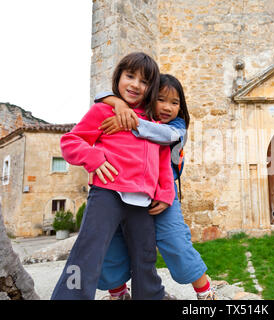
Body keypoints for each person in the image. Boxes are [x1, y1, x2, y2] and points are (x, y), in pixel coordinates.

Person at [51, 52, 174, 300]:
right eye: (130, 76)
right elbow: (70, 141)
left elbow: (163, 161)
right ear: (119, 77)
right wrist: (94, 159)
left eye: (144, 81)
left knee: (146, 253)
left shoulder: (153, 123)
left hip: (142, 201)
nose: (135, 85)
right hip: (107, 193)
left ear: (151, 88)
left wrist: (165, 192)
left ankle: (151, 296)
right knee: (89, 250)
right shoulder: (103, 111)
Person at [94, 74, 216, 300]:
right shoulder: (136, 112)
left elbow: (165, 135)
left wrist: (130, 122)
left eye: (175, 102)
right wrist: (120, 105)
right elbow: (99, 97)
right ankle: (119, 293)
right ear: (149, 98)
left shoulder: (176, 127)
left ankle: (205, 291)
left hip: (163, 193)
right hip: (124, 188)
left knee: (174, 239)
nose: (168, 107)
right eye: (161, 99)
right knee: (112, 241)